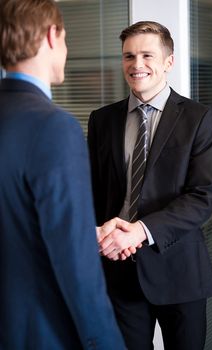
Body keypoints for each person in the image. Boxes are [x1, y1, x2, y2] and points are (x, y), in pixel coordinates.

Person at [0, 1, 126, 349]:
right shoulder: (54, 127)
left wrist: (89, 231)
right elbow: (78, 269)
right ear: (52, 36)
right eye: (67, 38)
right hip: (40, 333)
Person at [88, 21, 212, 350]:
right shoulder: (102, 120)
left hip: (179, 270)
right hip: (118, 272)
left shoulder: (200, 118)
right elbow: (92, 190)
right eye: (128, 56)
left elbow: (203, 196)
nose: (137, 65)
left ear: (168, 61)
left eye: (148, 55)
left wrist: (140, 230)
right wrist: (101, 235)